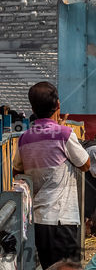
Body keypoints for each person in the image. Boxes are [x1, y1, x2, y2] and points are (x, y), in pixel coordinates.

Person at [13, 82, 90, 267]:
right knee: (69, 267)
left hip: (39, 220)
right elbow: (85, 164)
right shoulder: (65, 133)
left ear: (32, 108)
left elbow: (17, 171)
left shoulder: (24, 137)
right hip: (62, 219)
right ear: (58, 105)